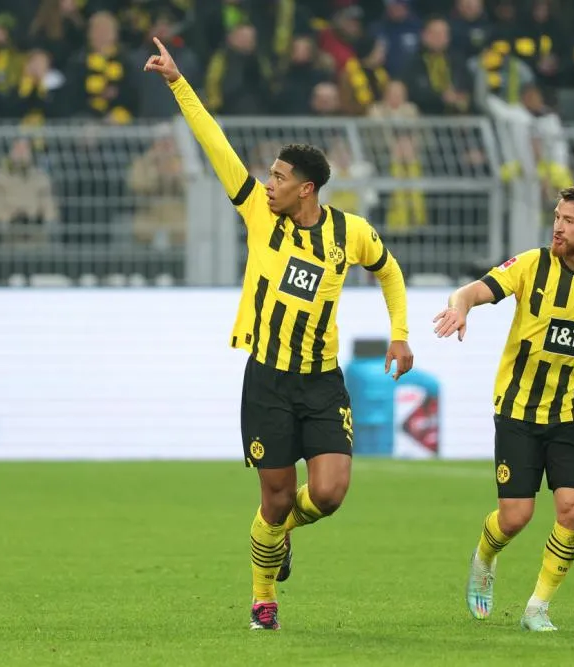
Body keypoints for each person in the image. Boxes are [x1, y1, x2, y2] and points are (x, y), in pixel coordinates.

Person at [144, 37, 414, 631]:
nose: (267, 183)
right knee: (276, 495)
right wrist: (178, 83)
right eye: (269, 174)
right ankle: (263, 597)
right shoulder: (257, 214)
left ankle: (274, 535)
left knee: (329, 494)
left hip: (321, 381)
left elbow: (390, 271)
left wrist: (399, 333)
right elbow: (216, 145)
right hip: (267, 380)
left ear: (306, 189)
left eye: (278, 177)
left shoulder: (350, 233)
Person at [432, 185, 574, 632]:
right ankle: (485, 556)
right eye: (556, 216)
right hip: (518, 410)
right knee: (515, 517)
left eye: (569, 220)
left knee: (573, 509)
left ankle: (537, 607)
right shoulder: (531, 265)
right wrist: (460, 308)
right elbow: (472, 290)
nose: (557, 226)